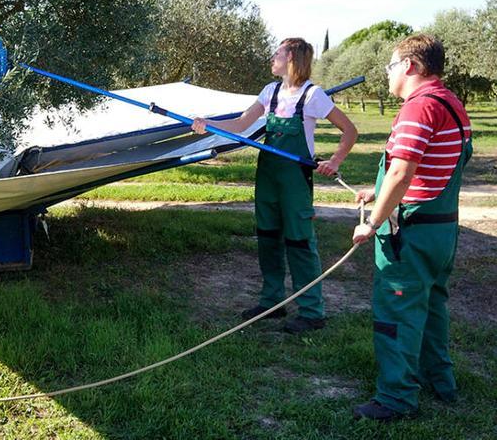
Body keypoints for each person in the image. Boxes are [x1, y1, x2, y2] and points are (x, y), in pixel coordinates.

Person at [192, 38, 358, 334]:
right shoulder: (271, 91)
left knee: (299, 241)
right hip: (267, 175)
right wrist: (209, 124)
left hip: (295, 178)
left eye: (277, 53)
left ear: (292, 57)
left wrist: (334, 161)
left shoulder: (313, 95)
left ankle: (311, 311)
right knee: (267, 237)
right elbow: (242, 124)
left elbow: (350, 130)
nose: (272, 57)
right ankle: (272, 302)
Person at [351, 34, 472, 421]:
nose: (387, 74)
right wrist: (379, 191)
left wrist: (372, 223)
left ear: (411, 66)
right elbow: (428, 165)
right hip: (442, 231)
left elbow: (402, 171)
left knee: (397, 312)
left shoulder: (417, 108)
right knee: (433, 306)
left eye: (390, 66)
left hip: (411, 233)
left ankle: (396, 398)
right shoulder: (451, 103)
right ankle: (441, 381)